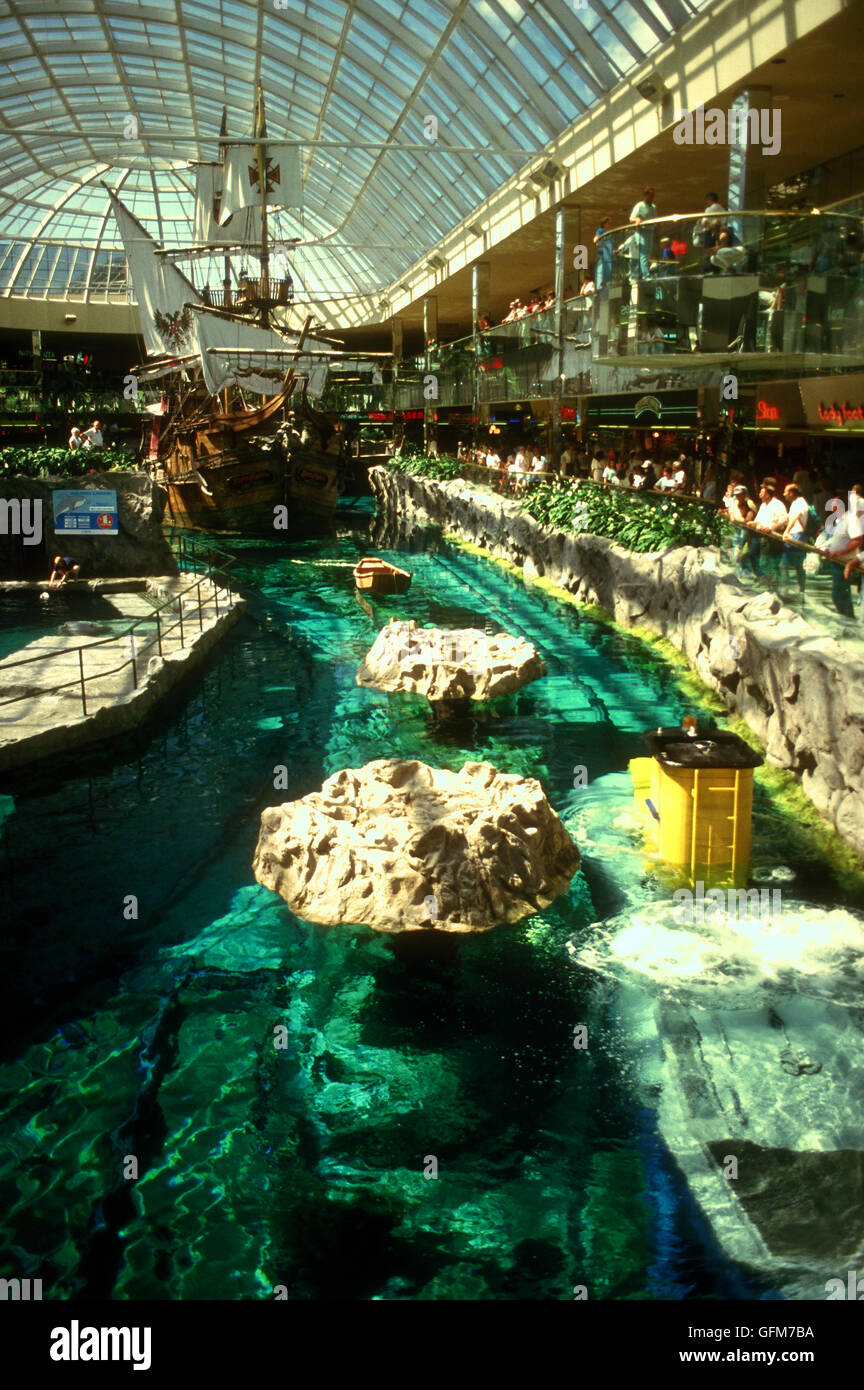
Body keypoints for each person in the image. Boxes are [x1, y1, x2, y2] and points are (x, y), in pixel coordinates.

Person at [779, 483, 810, 594]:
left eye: (785, 491)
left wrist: (786, 531)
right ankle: (798, 590)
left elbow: (796, 517)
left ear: (791, 493)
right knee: (796, 566)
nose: (784, 494)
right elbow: (789, 517)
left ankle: (788, 591)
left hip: (797, 535)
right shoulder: (795, 503)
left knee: (787, 565)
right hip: (794, 534)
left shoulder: (800, 503)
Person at [629, 187, 657, 281]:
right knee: (644, 254)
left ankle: (635, 274)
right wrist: (637, 219)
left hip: (650, 231)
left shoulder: (653, 207)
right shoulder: (640, 205)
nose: (652, 197)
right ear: (645, 195)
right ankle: (646, 275)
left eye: (653, 195)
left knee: (647, 254)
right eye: (650, 195)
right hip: (642, 232)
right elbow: (632, 218)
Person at [594, 216, 613, 290]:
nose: (609, 224)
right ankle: (602, 283)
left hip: (608, 252)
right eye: (608, 223)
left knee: (608, 266)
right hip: (603, 252)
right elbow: (595, 239)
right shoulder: (601, 230)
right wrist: (599, 238)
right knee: (603, 267)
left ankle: (605, 282)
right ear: (604, 224)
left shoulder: (609, 232)